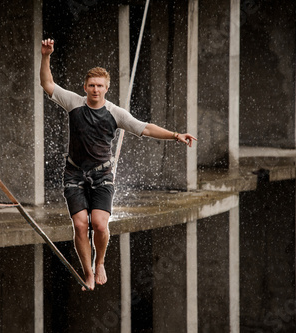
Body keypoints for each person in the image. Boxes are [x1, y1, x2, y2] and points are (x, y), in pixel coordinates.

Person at [40, 38, 196, 291]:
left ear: (106, 88)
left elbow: (144, 128)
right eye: (91, 85)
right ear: (85, 87)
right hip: (74, 174)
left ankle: (100, 262)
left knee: (100, 224)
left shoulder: (115, 113)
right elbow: (47, 84)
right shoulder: (73, 103)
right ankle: (88, 273)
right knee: (80, 224)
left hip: (102, 176)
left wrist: (175, 135)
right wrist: (46, 55)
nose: (95, 90)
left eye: (100, 86)